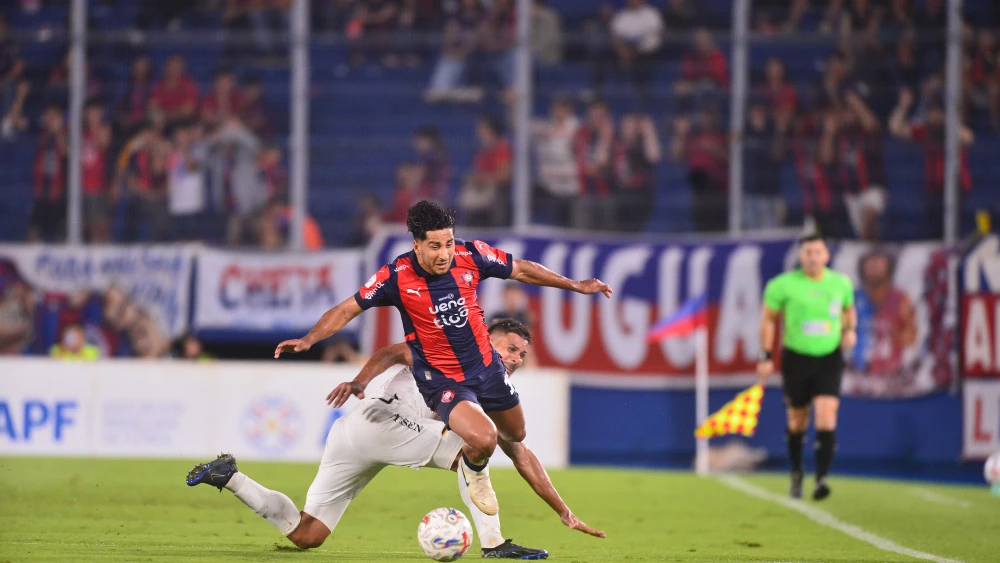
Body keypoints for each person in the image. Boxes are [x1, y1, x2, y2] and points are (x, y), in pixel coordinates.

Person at [273, 201, 612, 518]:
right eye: (435, 246)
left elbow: (521, 269)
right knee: (483, 439)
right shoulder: (396, 276)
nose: (444, 254)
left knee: (517, 436)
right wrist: (309, 339)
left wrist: (575, 286)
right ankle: (477, 476)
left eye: (448, 243)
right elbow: (348, 308)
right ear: (416, 244)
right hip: (443, 381)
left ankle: (545, 509)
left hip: (487, 369)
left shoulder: (471, 253)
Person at [189, 319, 605, 556]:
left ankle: (230, 477)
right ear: (487, 337)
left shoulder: (491, 390)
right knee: (474, 447)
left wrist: (563, 511)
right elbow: (394, 352)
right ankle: (494, 544)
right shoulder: (452, 347)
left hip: (353, 434)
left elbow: (522, 453)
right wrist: (359, 380)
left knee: (306, 534)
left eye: (522, 355)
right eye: (511, 348)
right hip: (378, 419)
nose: (516, 359)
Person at [756, 234, 857, 501]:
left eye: (818, 252)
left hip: (829, 357)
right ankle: (797, 472)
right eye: (808, 252)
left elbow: (848, 310)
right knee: (797, 419)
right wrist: (766, 355)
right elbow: (768, 319)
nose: (813, 257)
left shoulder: (840, 283)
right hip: (796, 358)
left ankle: (821, 478)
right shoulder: (783, 285)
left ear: (827, 255)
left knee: (827, 414)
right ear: (801, 257)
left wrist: (849, 331)